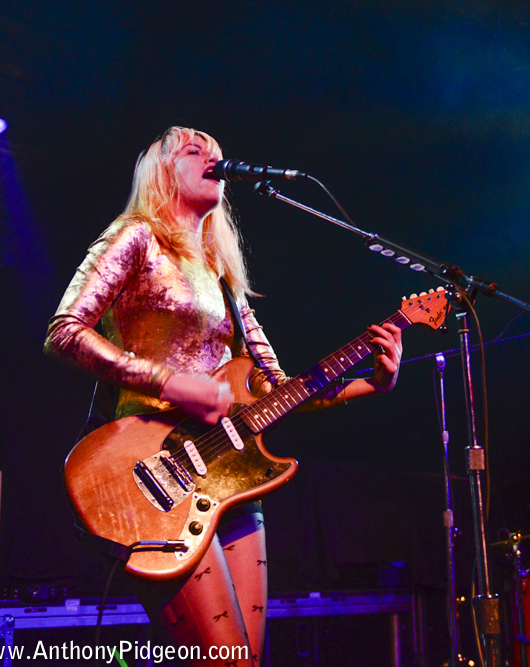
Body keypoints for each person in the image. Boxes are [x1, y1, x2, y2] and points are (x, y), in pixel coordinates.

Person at [44, 126, 403, 665]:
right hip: (153, 473)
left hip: (229, 481)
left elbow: (277, 390)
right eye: (194, 152)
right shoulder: (136, 236)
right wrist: (168, 383)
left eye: (217, 154)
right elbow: (64, 332)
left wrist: (372, 382)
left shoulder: (224, 277)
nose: (213, 160)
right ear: (162, 171)